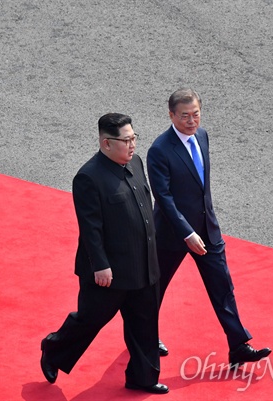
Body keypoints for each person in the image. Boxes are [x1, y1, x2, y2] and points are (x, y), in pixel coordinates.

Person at [40, 113, 168, 394]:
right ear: (106, 143)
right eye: (126, 140)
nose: (132, 145)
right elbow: (90, 228)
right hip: (108, 272)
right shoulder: (88, 177)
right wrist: (100, 265)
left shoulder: (135, 162)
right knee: (90, 320)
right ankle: (54, 348)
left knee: (144, 322)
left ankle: (142, 378)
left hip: (143, 264)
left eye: (134, 138)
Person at [146, 88, 271, 368]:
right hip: (171, 234)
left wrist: (205, 225)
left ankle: (238, 345)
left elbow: (202, 188)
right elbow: (163, 198)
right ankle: (144, 337)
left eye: (196, 114)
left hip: (208, 229)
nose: (192, 121)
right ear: (171, 115)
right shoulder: (159, 150)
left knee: (222, 286)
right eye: (185, 116)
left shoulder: (202, 137)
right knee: (155, 289)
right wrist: (187, 233)